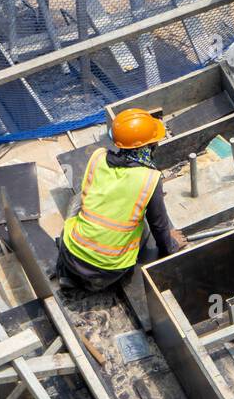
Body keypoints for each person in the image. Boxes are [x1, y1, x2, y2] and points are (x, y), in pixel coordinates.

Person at [55, 108, 187, 293]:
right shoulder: (150, 178)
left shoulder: (98, 156)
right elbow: (159, 225)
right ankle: (94, 283)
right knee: (144, 228)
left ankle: (69, 275)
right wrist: (171, 246)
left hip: (71, 254)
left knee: (79, 201)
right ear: (148, 145)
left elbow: (89, 193)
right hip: (106, 271)